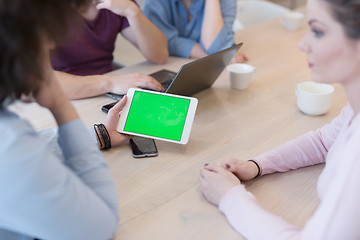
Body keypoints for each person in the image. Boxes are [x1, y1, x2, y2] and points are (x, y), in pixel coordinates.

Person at [199, 0, 360, 238]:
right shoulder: (353, 110)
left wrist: (230, 197)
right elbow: (325, 141)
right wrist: (256, 165)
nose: (303, 43)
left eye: (317, 31)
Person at [0, 0, 130, 239]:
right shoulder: (9, 149)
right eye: (43, 34)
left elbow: (34, 144)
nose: (51, 43)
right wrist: (60, 104)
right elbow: (100, 228)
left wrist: (99, 135)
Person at [51, 0, 169, 100]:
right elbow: (39, 80)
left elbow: (159, 55)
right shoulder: (44, 9)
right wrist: (110, 83)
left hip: (106, 92)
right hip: (63, 97)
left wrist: (132, 11)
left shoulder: (114, 4)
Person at [143, 0, 248, 63]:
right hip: (170, 66)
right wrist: (214, 56)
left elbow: (215, 45)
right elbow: (163, 43)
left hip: (208, 71)